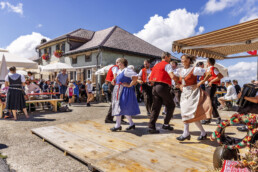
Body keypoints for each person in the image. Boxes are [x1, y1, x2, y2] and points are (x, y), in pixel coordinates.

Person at [171, 55, 212, 141]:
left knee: (187, 112)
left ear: (189, 60)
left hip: (193, 93)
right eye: (181, 59)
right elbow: (174, 77)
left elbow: (208, 74)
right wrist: (179, 85)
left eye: (184, 59)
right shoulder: (180, 70)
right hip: (185, 93)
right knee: (191, 114)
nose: (182, 61)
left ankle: (186, 133)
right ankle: (203, 133)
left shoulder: (195, 69)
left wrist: (199, 83)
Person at [148, 52, 176, 134]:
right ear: (166, 57)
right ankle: (166, 124)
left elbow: (149, 77)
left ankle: (151, 127)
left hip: (155, 87)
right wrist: (178, 82)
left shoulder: (156, 65)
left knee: (156, 107)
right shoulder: (167, 65)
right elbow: (172, 76)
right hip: (163, 87)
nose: (170, 59)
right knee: (171, 105)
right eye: (170, 57)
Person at [110, 58, 140, 131]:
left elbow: (136, 77)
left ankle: (118, 125)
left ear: (122, 63)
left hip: (124, 91)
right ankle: (131, 124)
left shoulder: (127, 70)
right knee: (121, 107)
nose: (117, 64)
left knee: (121, 107)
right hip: (118, 90)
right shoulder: (120, 71)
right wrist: (114, 80)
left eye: (119, 63)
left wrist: (130, 85)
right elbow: (119, 80)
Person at [202, 58, 223, 125]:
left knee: (209, 102)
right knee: (208, 102)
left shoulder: (213, 68)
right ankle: (209, 118)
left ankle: (215, 118)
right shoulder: (208, 69)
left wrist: (211, 81)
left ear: (208, 62)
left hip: (211, 86)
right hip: (208, 86)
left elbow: (220, 76)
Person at [104, 59, 119, 123]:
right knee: (115, 102)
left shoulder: (116, 67)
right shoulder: (115, 67)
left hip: (113, 84)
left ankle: (116, 118)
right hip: (114, 84)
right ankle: (109, 118)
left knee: (117, 102)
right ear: (117, 62)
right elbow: (115, 75)